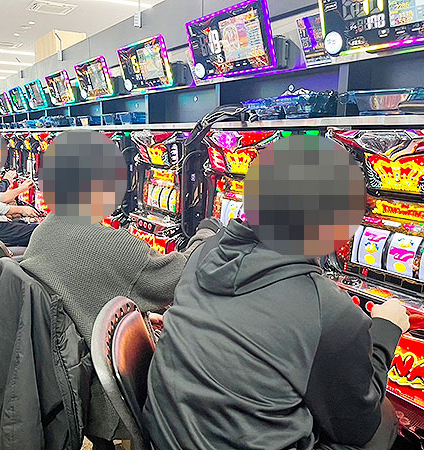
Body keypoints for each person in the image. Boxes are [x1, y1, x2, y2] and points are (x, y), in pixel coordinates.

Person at [143, 134, 410, 450]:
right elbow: (358, 427)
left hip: (166, 436)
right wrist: (386, 330)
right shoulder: (328, 311)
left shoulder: (205, 253)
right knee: (384, 424)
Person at [19, 130, 219, 449]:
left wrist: (140, 317)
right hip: (110, 395)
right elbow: (180, 277)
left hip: (70, 380)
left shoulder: (45, 231)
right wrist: (210, 234)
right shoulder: (111, 246)